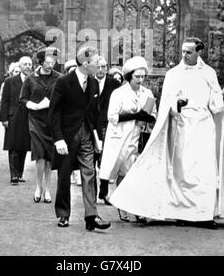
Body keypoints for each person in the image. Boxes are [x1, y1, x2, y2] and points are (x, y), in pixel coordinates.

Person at [110, 37, 224, 228]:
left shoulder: (209, 73)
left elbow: (215, 106)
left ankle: (204, 215)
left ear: (199, 52)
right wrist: (178, 104)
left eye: (189, 52)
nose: (184, 55)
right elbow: (167, 102)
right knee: (184, 171)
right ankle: (183, 214)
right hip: (183, 127)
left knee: (205, 171)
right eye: (183, 51)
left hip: (204, 128)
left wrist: (223, 98)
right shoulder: (174, 74)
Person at [48, 44, 111, 231]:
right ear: (85, 63)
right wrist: (58, 139)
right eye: (95, 62)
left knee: (90, 174)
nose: (98, 66)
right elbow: (54, 113)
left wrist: (98, 138)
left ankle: (91, 217)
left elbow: (95, 113)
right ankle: (63, 214)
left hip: (86, 136)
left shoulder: (93, 83)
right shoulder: (63, 82)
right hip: (66, 138)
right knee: (64, 175)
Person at [99, 56, 157, 221]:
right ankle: (114, 198)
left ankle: (128, 206)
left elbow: (153, 115)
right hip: (118, 137)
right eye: (137, 77)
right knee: (113, 168)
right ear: (129, 76)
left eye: (142, 77)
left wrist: (146, 117)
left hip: (135, 138)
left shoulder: (147, 93)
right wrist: (134, 115)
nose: (140, 80)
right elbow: (112, 116)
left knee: (130, 174)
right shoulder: (118, 93)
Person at [20, 47, 61, 204]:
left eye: (53, 62)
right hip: (36, 121)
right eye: (49, 62)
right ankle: (38, 187)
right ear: (41, 62)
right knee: (39, 155)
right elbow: (23, 98)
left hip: (52, 121)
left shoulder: (59, 78)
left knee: (50, 156)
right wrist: (33, 105)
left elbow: (63, 96)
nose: (51, 65)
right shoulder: (30, 79)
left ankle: (48, 190)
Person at [0, 56, 32, 184]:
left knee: (23, 146)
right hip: (13, 117)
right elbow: (5, 101)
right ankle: (13, 175)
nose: (28, 66)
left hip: (27, 117)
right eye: (25, 64)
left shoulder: (32, 81)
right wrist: (4, 119)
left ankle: (19, 173)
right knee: (13, 146)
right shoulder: (10, 81)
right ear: (20, 66)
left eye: (29, 64)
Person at [95, 56, 121, 204]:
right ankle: (91, 192)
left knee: (106, 159)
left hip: (108, 125)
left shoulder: (115, 84)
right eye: (98, 67)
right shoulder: (88, 82)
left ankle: (103, 192)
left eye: (103, 67)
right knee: (90, 157)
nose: (100, 70)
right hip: (91, 125)